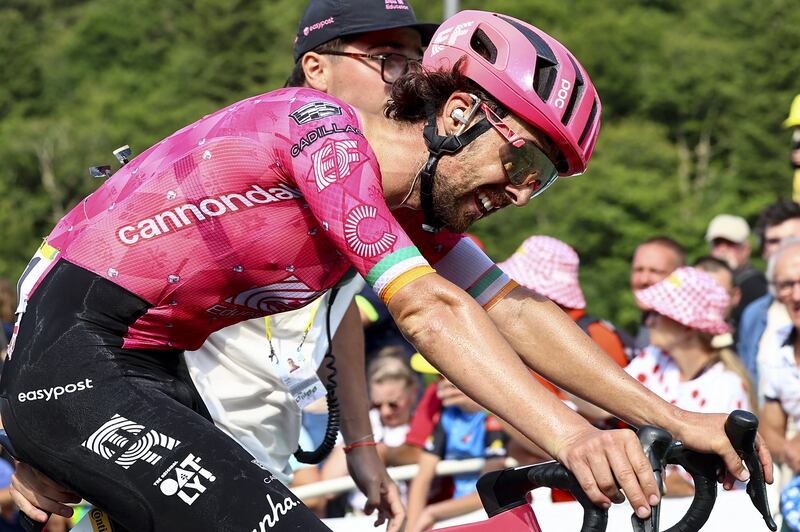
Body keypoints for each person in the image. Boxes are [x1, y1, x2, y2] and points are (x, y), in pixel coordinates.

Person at [1, 10, 770, 532]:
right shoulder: (322, 130)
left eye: (543, 179)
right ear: (460, 113)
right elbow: (430, 312)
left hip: (144, 374)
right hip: (72, 359)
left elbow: (511, 309)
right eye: (520, 158)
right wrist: (571, 437)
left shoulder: (410, 208)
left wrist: (670, 419)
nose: (518, 191)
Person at [10, 1, 437, 529]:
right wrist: (47, 444)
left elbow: (340, 313)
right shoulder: (248, 161)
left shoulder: (373, 188)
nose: (409, 80)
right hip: (166, 431)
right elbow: (73, 292)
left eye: (416, 62)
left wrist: (361, 443)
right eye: (388, 58)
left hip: (266, 447)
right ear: (316, 68)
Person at [626, 266, 755, 496]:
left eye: (657, 313)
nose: (649, 322)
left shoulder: (726, 385)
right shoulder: (654, 360)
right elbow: (598, 402)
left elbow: (730, 479)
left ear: (686, 326)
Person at [404, 358, 508, 532]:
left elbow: (490, 489)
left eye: (442, 377)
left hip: (492, 513)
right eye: (435, 378)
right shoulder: (447, 417)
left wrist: (432, 512)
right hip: (459, 514)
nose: (438, 386)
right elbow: (422, 477)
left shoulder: (492, 417)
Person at [758, 239, 800, 528]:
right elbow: (769, 434)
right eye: (786, 285)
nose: (796, 295)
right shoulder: (777, 346)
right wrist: (790, 449)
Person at [738, 200, 800, 391]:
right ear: (764, 251)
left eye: (793, 238)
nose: (784, 247)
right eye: (774, 241)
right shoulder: (754, 314)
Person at [705, 213, 768, 331]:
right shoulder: (702, 282)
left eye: (730, 244)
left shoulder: (756, 286)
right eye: (717, 244)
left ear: (746, 249)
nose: (723, 250)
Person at [630, 236, 686, 347]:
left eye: (655, 271)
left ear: (680, 276)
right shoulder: (648, 324)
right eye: (638, 270)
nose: (644, 279)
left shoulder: (686, 339)